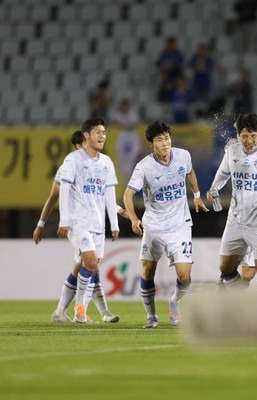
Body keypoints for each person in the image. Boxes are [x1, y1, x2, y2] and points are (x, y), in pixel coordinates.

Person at [123, 121, 209, 328]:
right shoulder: (144, 166)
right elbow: (128, 194)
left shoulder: (183, 155)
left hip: (180, 225)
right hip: (153, 226)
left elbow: (189, 173)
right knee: (147, 272)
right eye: (160, 139)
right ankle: (151, 317)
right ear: (151, 144)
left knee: (185, 276)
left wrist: (196, 195)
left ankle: (174, 302)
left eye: (167, 138)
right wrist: (134, 218)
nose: (165, 142)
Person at [34, 131, 123, 324]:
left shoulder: (100, 164)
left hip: (95, 224)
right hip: (79, 224)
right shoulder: (68, 167)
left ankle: (61, 311)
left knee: (85, 267)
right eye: (81, 145)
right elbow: (54, 198)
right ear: (79, 145)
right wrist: (41, 224)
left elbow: (98, 196)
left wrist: (117, 210)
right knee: (91, 265)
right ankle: (97, 311)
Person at [207, 113, 257, 291]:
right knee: (225, 268)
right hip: (235, 220)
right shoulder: (232, 151)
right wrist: (214, 188)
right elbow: (224, 172)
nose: (249, 141)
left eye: (253, 136)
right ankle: (240, 301)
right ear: (238, 135)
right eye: (244, 136)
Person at [57, 118, 120, 323]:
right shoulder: (73, 160)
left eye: (104, 132)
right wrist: (64, 220)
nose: (102, 135)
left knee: (91, 266)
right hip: (78, 222)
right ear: (86, 135)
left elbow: (109, 194)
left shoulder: (106, 163)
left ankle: (77, 311)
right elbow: (64, 189)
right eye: (97, 132)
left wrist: (115, 223)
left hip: (98, 224)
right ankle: (81, 309)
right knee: (91, 261)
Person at [112, 98, 143, 180]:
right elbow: (116, 124)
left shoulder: (133, 114)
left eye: (126, 106)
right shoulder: (118, 114)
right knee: (121, 156)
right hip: (121, 138)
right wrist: (127, 126)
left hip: (132, 137)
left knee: (134, 154)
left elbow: (135, 125)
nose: (124, 108)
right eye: (123, 106)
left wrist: (124, 126)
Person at [156, 37, 184, 102]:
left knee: (175, 95)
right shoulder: (163, 54)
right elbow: (158, 64)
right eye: (169, 44)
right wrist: (164, 67)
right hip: (165, 78)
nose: (170, 46)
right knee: (163, 95)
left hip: (175, 78)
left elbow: (180, 65)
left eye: (171, 44)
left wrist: (172, 67)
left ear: (174, 45)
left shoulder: (178, 54)